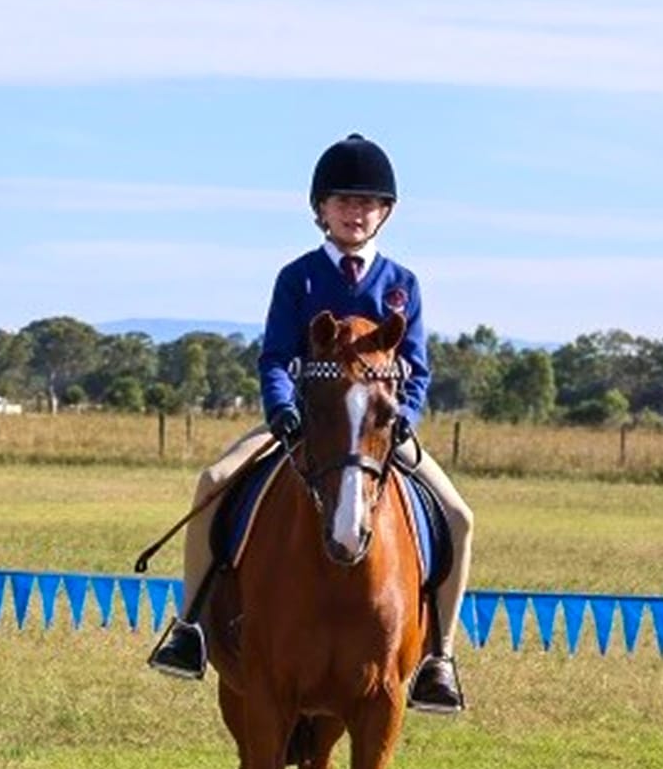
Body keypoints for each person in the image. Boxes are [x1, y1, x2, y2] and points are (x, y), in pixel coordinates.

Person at [145, 133, 473, 713]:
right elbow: (274, 357)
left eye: (368, 203)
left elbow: (417, 368)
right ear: (321, 210)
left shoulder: (403, 286)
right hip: (299, 424)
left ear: (385, 213)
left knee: (460, 517)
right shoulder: (296, 278)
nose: (356, 212)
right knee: (212, 482)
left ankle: (438, 658)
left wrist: (403, 421)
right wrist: (283, 411)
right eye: (343, 201)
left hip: (376, 433)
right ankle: (190, 626)